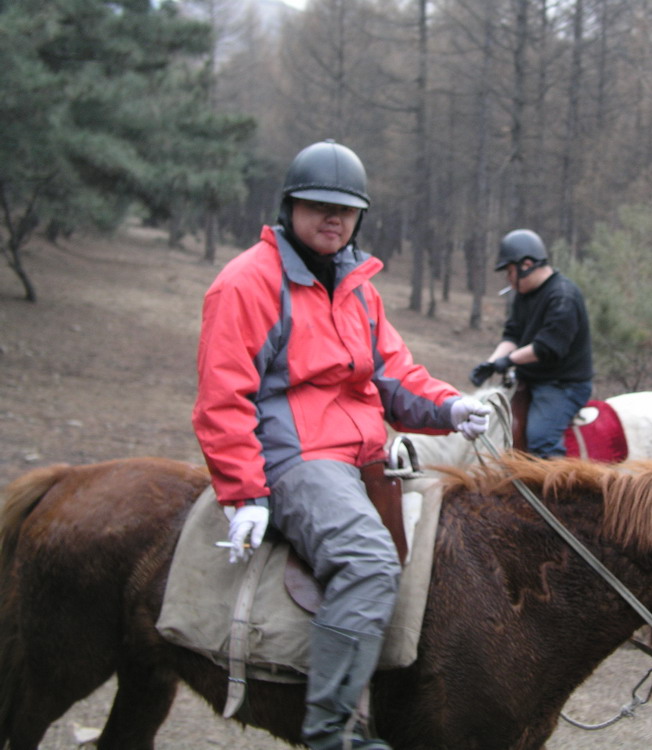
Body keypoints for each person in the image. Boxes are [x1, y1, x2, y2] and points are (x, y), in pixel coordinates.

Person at [192, 139, 489, 750]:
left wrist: (452, 405)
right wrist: (246, 491)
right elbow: (223, 397)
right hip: (296, 457)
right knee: (369, 561)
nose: (333, 218)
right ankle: (328, 732)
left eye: (346, 209)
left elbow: (395, 375)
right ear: (290, 206)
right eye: (318, 205)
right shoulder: (247, 283)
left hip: (366, 452)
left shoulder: (358, 286)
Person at [470, 228, 593, 458]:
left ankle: (557, 493)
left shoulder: (563, 296)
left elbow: (547, 347)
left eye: (509, 271)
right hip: (531, 379)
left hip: (563, 385)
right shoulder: (523, 295)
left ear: (526, 264)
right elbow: (512, 336)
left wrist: (507, 361)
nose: (508, 278)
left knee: (541, 439)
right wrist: (490, 363)